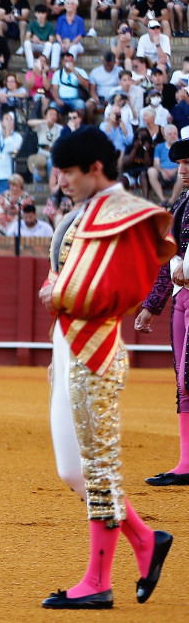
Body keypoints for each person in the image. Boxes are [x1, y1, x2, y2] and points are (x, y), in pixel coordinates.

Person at [39, 126, 176, 609]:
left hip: (95, 347)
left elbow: (121, 288)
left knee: (96, 467)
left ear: (95, 169)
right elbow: (68, 271)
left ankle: (98, 581)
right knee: (72, 468)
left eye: (68, 173)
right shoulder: (87, 213)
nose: (61, 182)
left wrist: (59, 292)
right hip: (69, 343)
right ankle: (145, 540)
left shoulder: (127, 216)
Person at [137, 139, 189, 485]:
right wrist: (151, 307)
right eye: (181, 164)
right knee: (183, 384)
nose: (182, 170)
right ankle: (186, 464)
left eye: (188, 164)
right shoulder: (182, 201)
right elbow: (166, 257)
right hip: (183, 298)